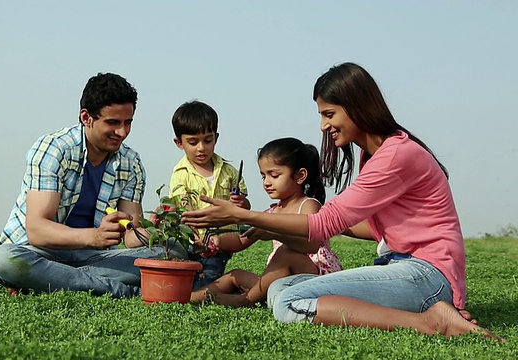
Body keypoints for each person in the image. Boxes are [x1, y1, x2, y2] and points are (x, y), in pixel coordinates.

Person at [182, 63, 502, 340]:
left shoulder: (395, 156)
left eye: (329, 114)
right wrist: (285, 223)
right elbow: (371, 229)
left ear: (357, 106)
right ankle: (427, 312)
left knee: (287, 303)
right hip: (403, 269)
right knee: (280, 289)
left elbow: (321, 226)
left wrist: (247, 217)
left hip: (426, 275)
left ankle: (429, 321)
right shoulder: (375, 154)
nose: (324, 125)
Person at [0, 73, 186, 298]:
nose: (123, 132)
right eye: (113, 122)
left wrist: (156, 228)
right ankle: (119, 291)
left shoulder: (131, 162)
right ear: (86, 117)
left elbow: (131, 237)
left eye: (128, 123)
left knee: (173, 251)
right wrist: (94, 237)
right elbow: (38, 230)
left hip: (94, 258)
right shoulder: (54, 149)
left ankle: (52, 281)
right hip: (40, 253)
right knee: (3, 260)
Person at [190, 138, 342, 306]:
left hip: (316, 279)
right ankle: (187, 298)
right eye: (263, 176)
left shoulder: (309, 205)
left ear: (300, 176)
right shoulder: (271, 212)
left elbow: (311, 244)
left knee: (285, 253)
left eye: (274, 175)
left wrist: (275, 234)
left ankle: (245, 299)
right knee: (236, 275)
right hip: (281, 281)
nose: (267, 182)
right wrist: (216, 242)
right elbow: (241, 239)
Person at [169, 100, 251, 289]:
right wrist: (195, 232)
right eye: (193, 142)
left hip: (222, 241)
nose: (201, 148)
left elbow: (245, 207)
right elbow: (183, 204)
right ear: (179, 143)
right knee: (189, 277)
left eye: (208, 140)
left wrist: (241, 202)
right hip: (191, 240)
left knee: (209, 276)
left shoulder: (229, 171)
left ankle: (216, 289)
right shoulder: (180, 172)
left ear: (216, 137)